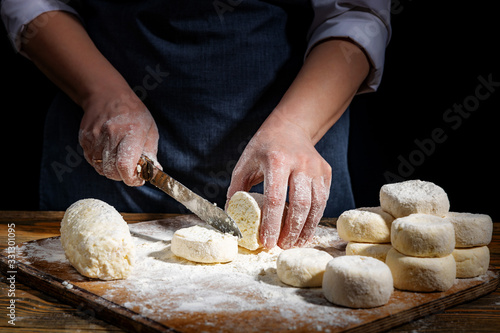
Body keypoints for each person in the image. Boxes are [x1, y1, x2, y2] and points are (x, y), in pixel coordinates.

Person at [1, 0, 391, 249]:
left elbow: (356, 12)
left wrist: (297, 127)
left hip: (292, 148)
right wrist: (100, 93)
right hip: (109, 145)